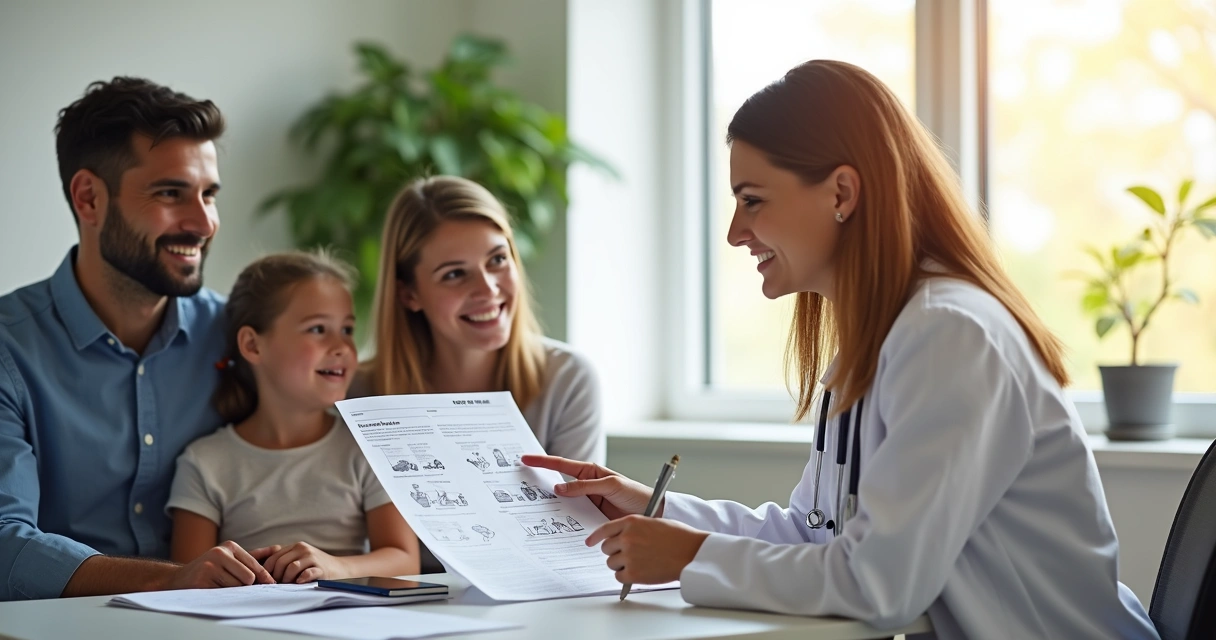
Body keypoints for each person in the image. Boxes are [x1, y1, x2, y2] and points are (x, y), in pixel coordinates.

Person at [525, 60, 1160, 639]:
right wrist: (652, 506)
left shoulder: (951, 336)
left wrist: (689, 556)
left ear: (841, 194)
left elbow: (876, 586)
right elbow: (814, 535)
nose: (734, 231)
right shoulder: (883, 336)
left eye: (752, 200)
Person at [0, 77, 279, 601]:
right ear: (89, 198)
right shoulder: (8, 351)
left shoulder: (240, 339)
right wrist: (167, 580)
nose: (204, 222)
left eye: (209, 194)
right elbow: (2, 543)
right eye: (171, 193)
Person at [167, 252, 419, 583]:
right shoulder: (204, 463)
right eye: (317, 329)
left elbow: (405, 561)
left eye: (347, 329)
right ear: (253, 345)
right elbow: (186, 579)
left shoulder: (368, 449)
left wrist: (335, 567)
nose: (342, 346)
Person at [355, 176, 605, 465]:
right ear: (408, 293)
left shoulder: (568, 380)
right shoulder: (358, 395)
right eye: (454, 274)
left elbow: (578, 509)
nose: (488, 289)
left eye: (497, 260)